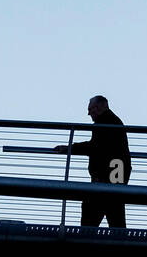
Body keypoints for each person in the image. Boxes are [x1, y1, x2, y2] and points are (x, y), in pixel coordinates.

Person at [52, 96, 132, 228]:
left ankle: (87, 241)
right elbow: (99, 147)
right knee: (114, 213)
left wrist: (69, 148)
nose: (89, 113)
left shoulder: (106, 123)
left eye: (91, 109)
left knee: (93, 212)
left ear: (101, 107)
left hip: (107, 177)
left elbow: (95, 146)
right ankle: (120, 242)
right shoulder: (113, 122)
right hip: (116, 174)